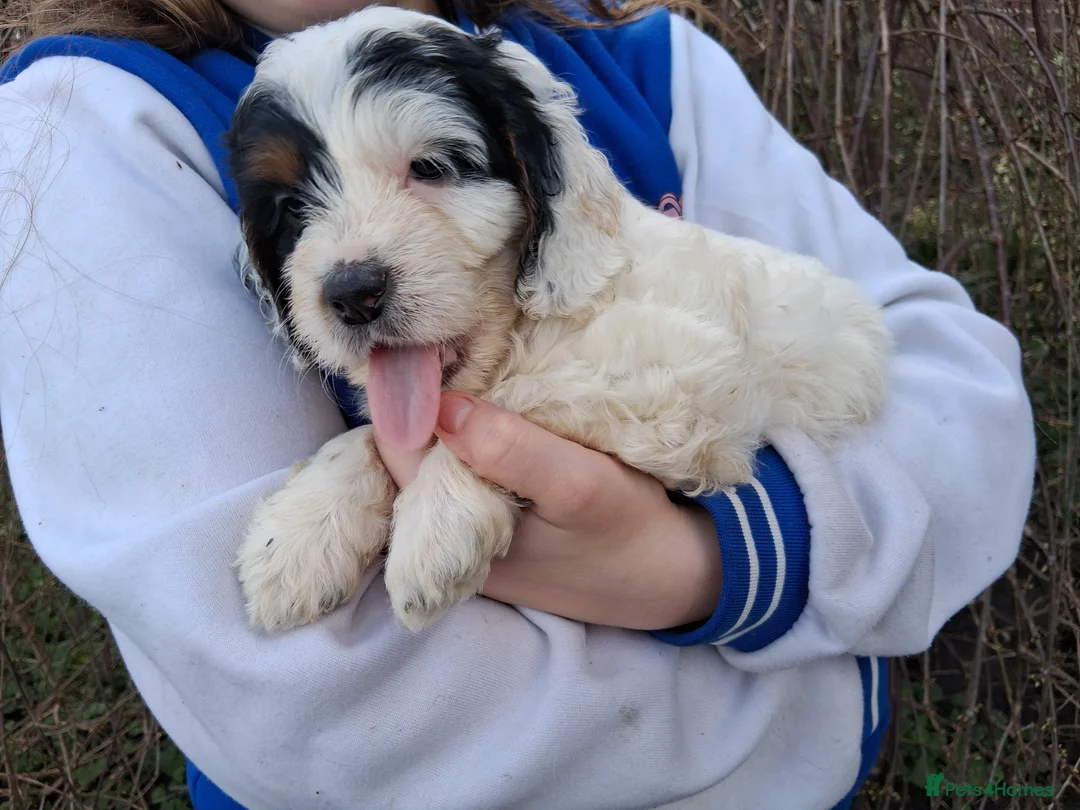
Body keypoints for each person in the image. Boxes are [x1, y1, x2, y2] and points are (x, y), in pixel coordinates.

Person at [0, 0, 1035, 807]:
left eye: (435, 169)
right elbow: (294, 693)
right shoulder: (86, 126)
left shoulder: (639, 57)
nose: (352, 270)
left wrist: (702, 569)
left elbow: (961, 399)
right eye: (290, 209)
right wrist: (813, 667)